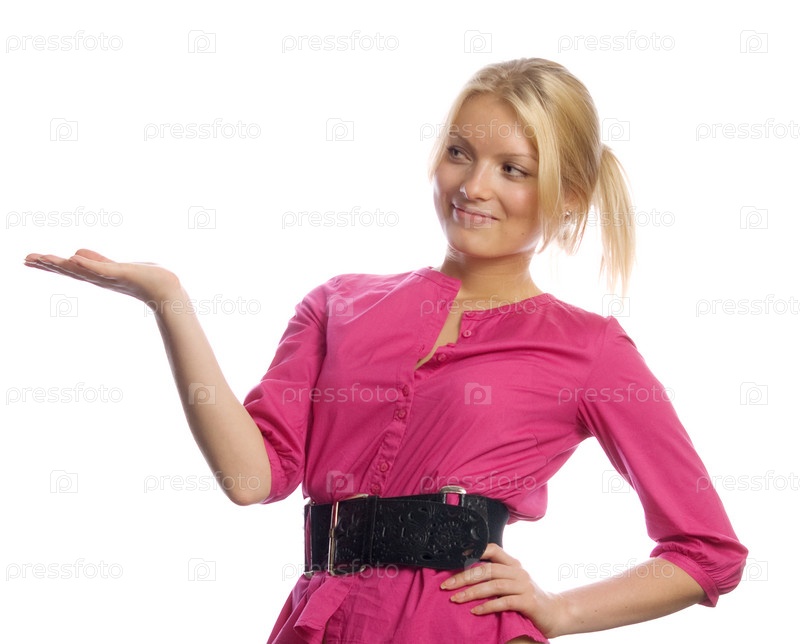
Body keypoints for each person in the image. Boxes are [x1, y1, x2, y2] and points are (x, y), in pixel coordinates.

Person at [25, 58, 747, 643]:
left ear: (569, 197)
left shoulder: (589, 350)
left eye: (513, 169)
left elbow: (706, 552)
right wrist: (168, 302)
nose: (473, 186)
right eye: (459, 153)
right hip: (321, 620)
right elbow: (251, 478)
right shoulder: (339, 303)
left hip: (458, 629)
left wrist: (561, 611)